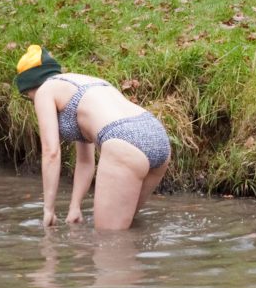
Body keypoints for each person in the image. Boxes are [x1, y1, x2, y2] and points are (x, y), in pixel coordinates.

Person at [13, 44, 170, 228]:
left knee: (109, 242)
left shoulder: (45, 91)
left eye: (26, 95)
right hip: (156, 135)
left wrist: (48, 209)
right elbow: (86, 161)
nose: (31, 99)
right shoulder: (83, 83)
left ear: (31, 85)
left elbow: (51, 152)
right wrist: (75, 207)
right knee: (128, 232)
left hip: (123, 140)